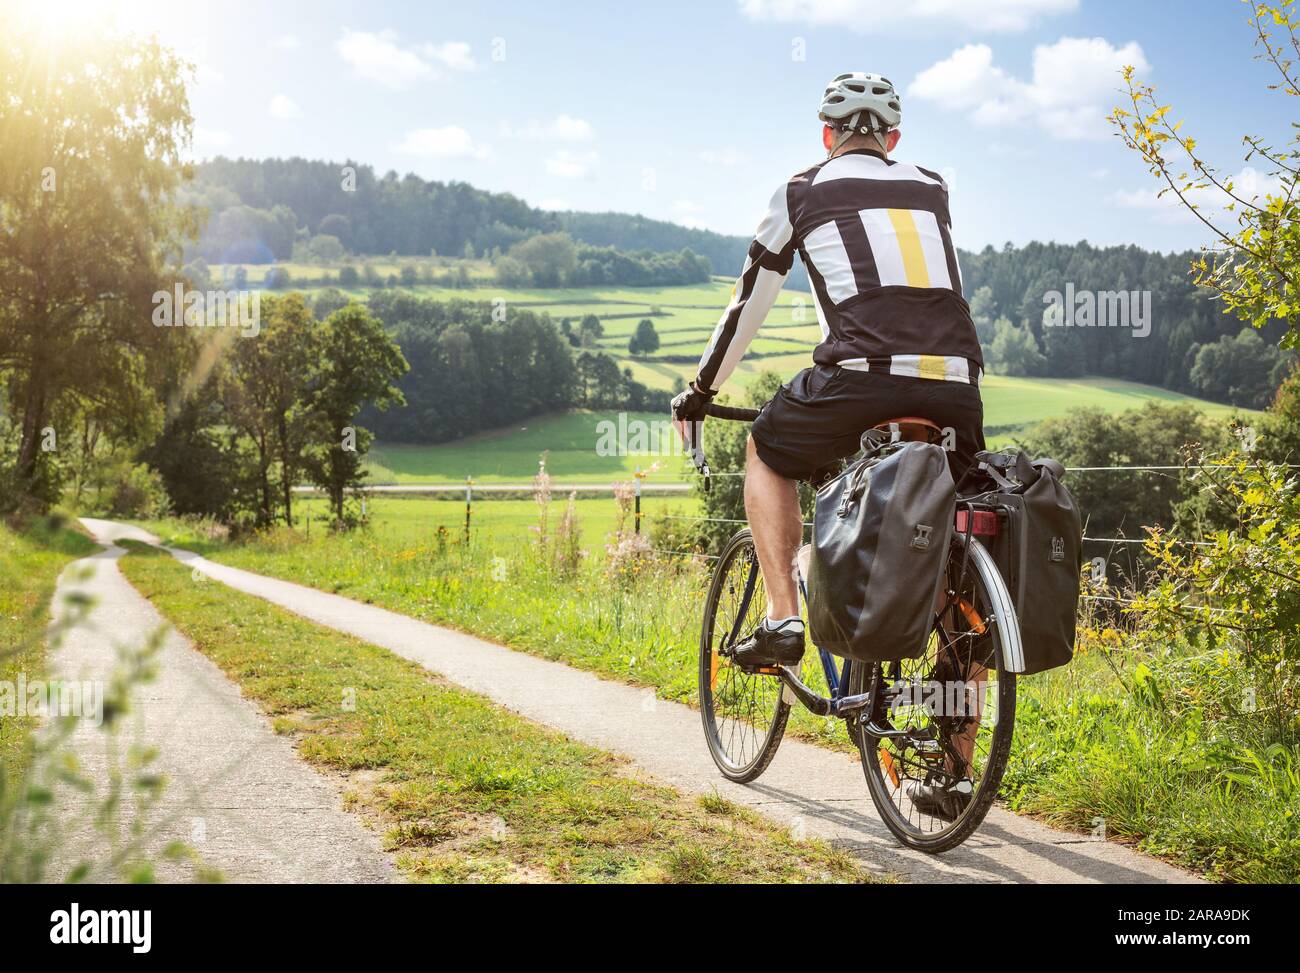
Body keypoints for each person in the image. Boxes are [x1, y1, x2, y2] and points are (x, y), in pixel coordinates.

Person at [673, 72, 987, 819]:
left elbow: (747, 300)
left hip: (859, 381)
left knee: (769, 451)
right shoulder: (934, 187)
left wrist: (701, 389)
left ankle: (784, 615)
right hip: (957, 385)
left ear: (826, 135)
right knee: (952, 545)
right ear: (894, 141)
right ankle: (953, 764)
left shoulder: (802, 191)